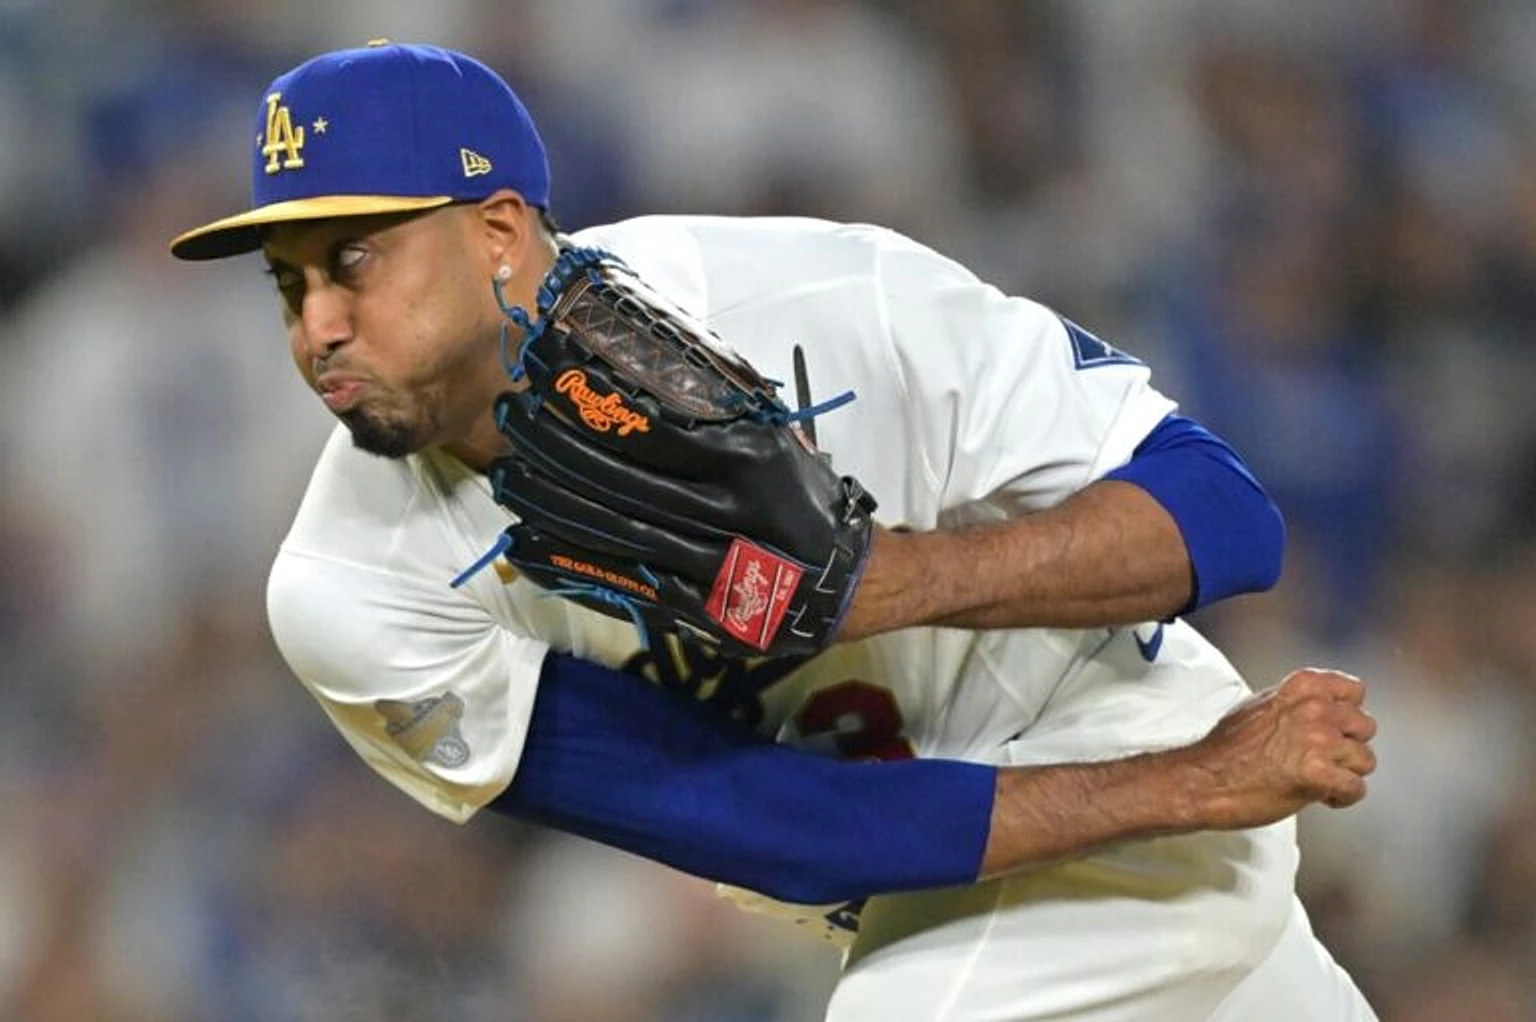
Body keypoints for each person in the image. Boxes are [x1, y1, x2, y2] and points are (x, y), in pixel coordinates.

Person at [168, 41, 1379, 1021]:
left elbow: (1225, 514)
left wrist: (892, 582)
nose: (317, 325)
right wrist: (1190, 785)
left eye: (354, 258)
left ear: (496, 231)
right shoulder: (352, 590)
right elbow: (774, 822)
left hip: (1105, 743)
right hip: (1008, 854)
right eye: (289, 281)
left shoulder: (801, 298)